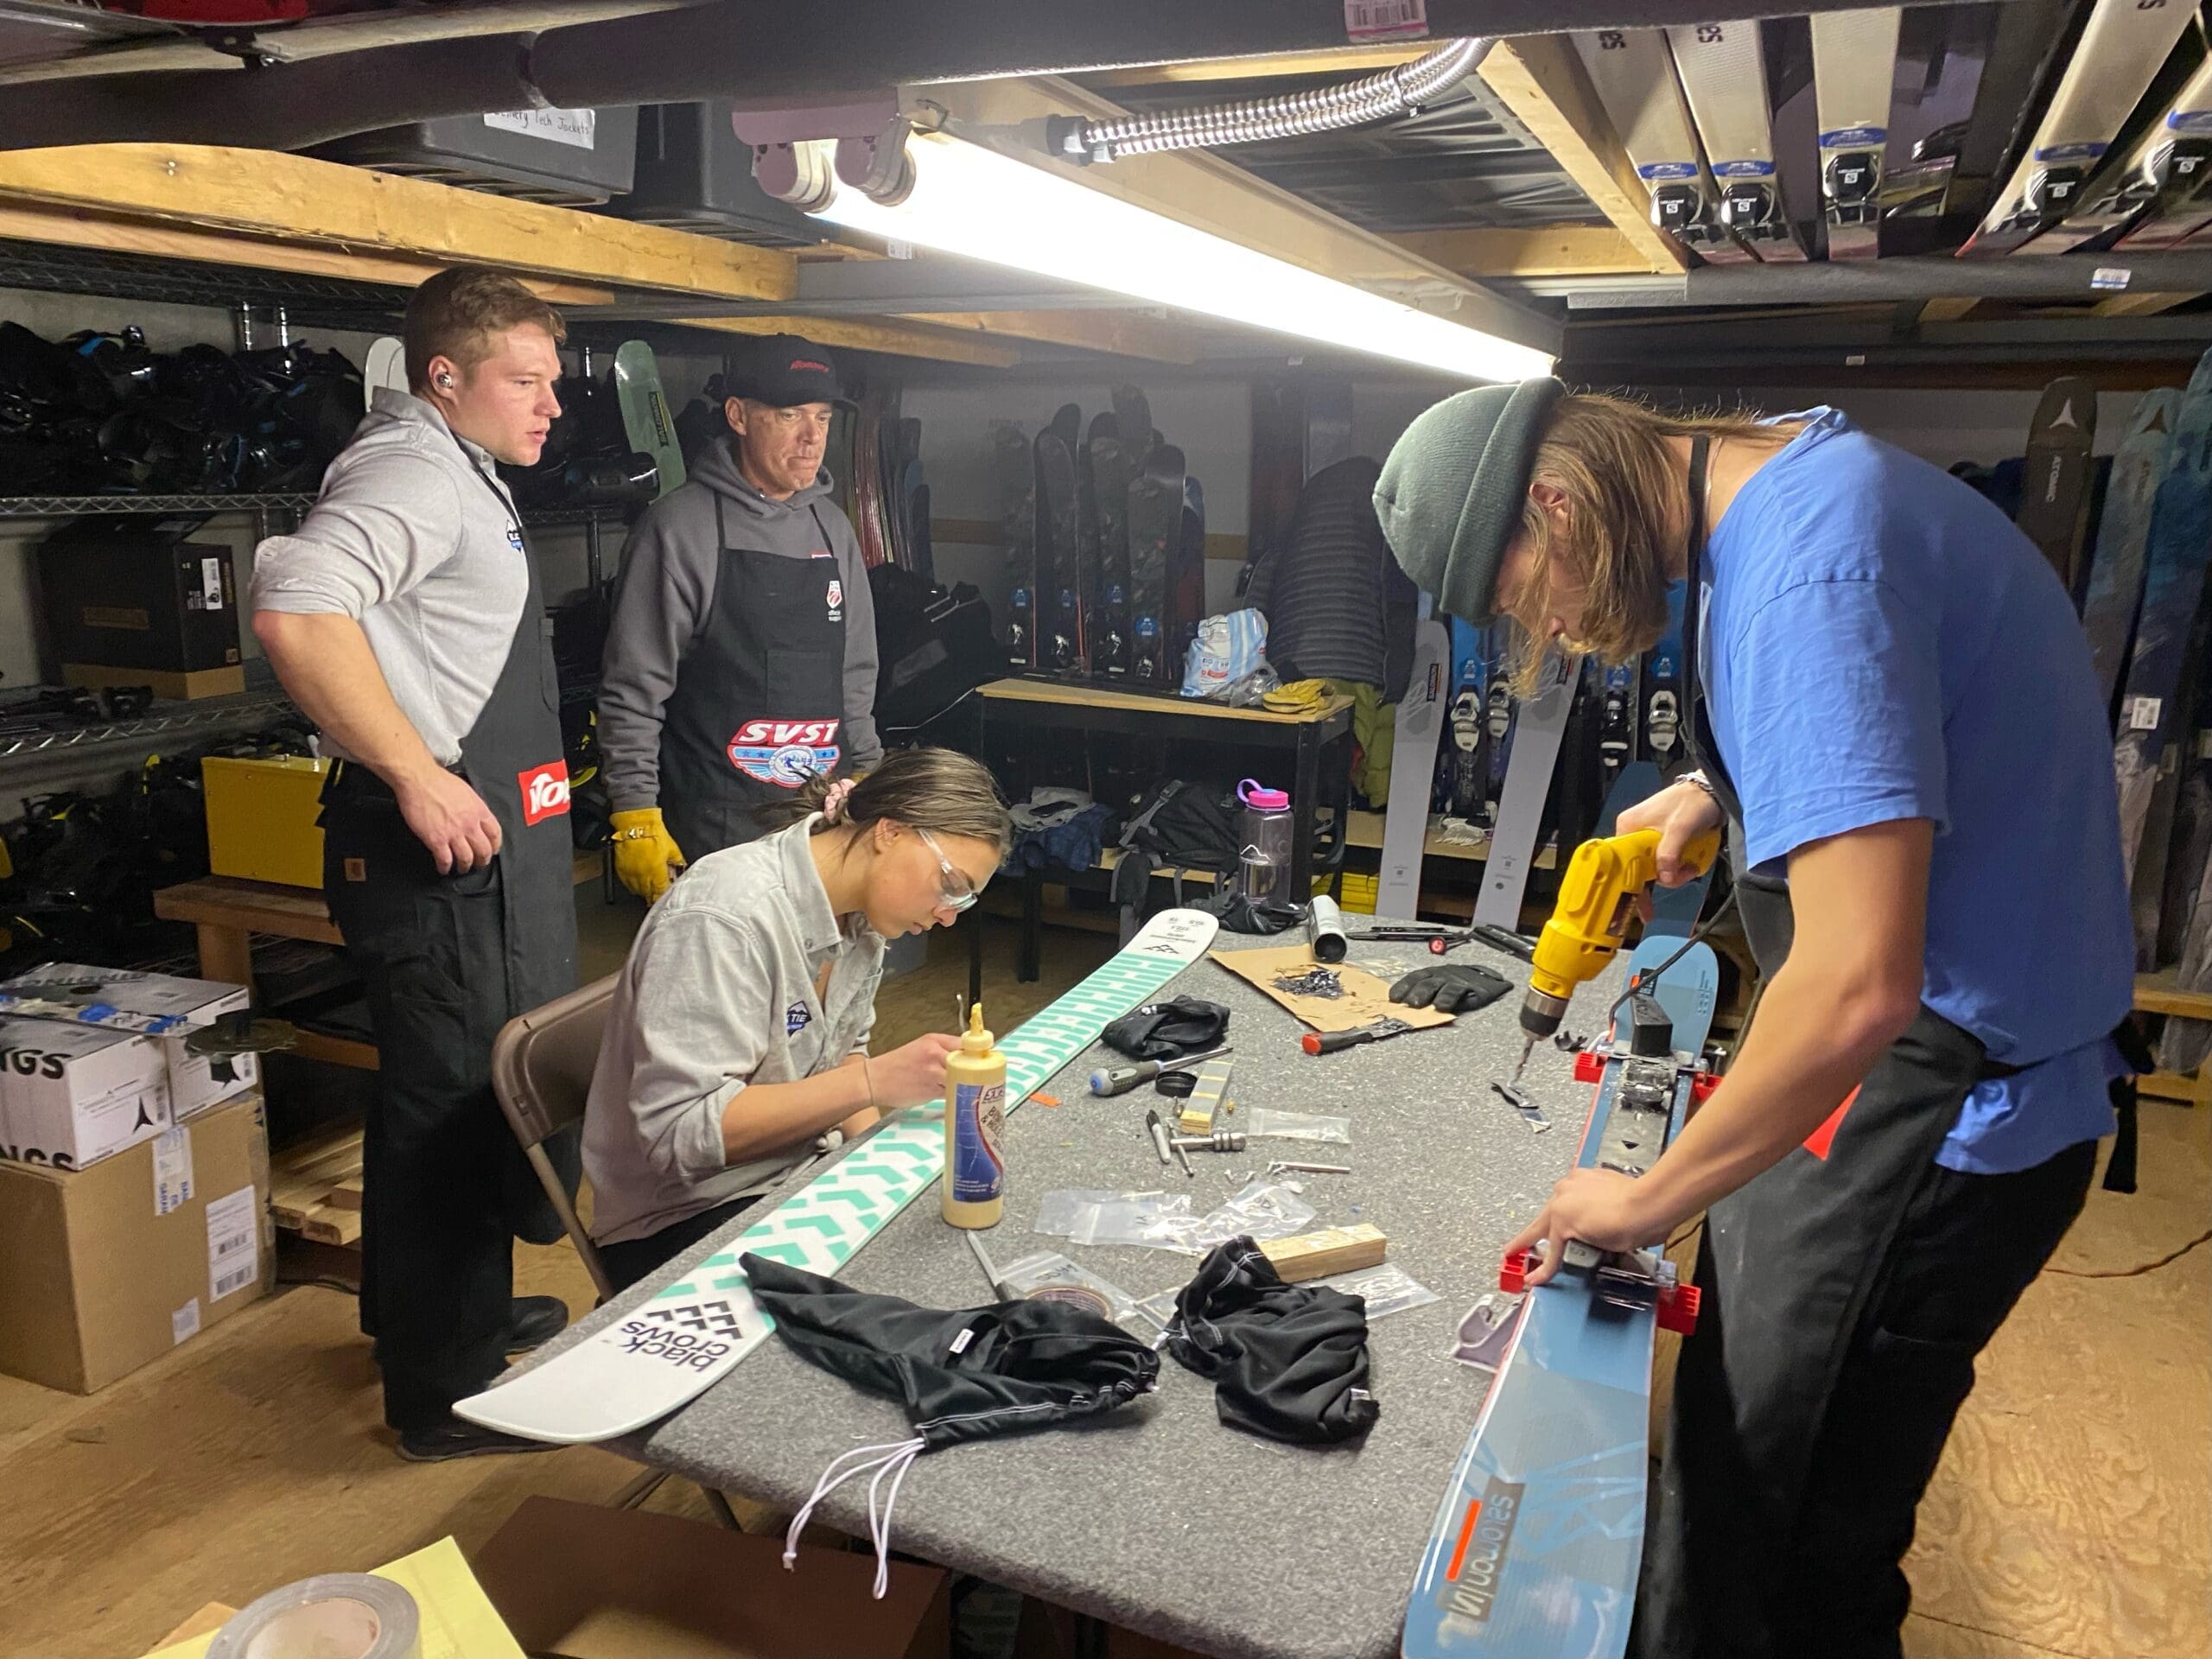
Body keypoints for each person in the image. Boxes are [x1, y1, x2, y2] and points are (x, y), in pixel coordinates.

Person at [1373, 381, 2133, 1658]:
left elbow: (1855, 984)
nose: (1551, 633)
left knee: (1771, 1556)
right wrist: (1712, 792)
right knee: (1736, 1458)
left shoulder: (1804, 579)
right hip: (1931, 1069)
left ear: (1555, 509)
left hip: (1944, 1113)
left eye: (1523, 600)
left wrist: (1644, 1199)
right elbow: (1903, 713)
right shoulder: (1783, 476)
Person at [251, 266, 582, 1462]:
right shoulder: (411, 472)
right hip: (429, 859)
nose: (551, 405)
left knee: (443, 1089)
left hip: (483, 857)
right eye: (525, 380)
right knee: (451, 1100)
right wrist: (415, 772)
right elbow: (295, 604)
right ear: (445, 376)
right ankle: (443, 1395)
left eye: (553, 380)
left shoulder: (461, 470)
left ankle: (434, 1318)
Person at [584, 747, 1008, 1290]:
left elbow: (843, 1051)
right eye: (951, 885)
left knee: (946, 1242)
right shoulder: (724, 918)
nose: (948, 915)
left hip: (800, 1166)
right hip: (683, 1217)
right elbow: (681, 1135)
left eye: (965, 901)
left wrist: (875, 1159)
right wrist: (873, 1081)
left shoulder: (862, 913)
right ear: (891, 832)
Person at [598, 333, 881, 903]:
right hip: (716, 828)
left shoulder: (834, 528)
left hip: (823, 821)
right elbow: (633, 688)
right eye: (789, 414)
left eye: (822, 418)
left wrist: (872, 777)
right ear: (739, 416)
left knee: (818, 987)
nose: (811, 438)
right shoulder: (680, 527)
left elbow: (855, 674)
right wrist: (634, 811)